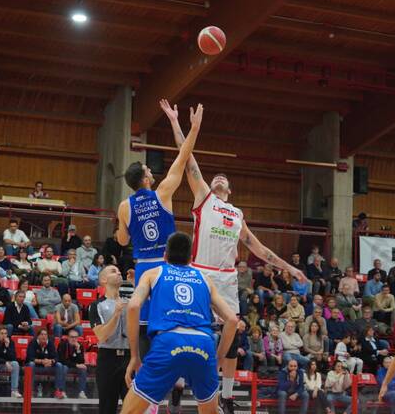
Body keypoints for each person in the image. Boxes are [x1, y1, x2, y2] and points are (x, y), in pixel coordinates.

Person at [168, 99, 306, 413]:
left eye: (222, 178)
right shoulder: (204, 198)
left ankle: (226, 396)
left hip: (227, 279)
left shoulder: (236, 213)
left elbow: (259, 249)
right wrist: (181, 125)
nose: (217, 178)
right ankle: (178, 381)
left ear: (229, 188)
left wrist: (290, 268)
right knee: (190, 331)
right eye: (214, 177)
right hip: (201, 273)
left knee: (232, 335)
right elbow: (187, 158)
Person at [116, 101, 202, 353]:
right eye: (147, 169)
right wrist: (192, 127)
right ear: (145, 178)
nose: (150, 170)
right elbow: (183, 156)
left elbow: (121, 242)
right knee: (170, 321)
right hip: (167, 266)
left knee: (144, 323)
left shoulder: (124, 206)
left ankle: (143, 372)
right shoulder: (162, 193)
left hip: (143, 267)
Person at [121, 231, 238, 414]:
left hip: (168, 341)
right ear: (191, 258)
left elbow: (134, 306)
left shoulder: (153, 273)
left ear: (165, 255)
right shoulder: (205, 279)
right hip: (203, 344)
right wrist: (218, 360)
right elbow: (231, 319)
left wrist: (135, 356)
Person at [89, 265, 131, 414]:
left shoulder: (131, 302)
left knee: (133, 407)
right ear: (103, 279)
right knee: (107, 408)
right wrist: (117, 313)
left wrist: (135, 285)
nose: (119, 272)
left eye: (119, 270)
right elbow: (102, 335)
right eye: (113, 271)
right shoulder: (97, 305)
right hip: (108, 359)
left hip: (129, 358)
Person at [26, 328, 67, 399]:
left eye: (45, 334)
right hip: (36, 367)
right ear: (38, 336)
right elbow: (30, 358)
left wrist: (51, 361)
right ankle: (30, 390)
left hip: (48, 366)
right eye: (42, 334)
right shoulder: (32, 343)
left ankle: (58, 391)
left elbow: (57, 358)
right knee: (31, 364)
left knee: (59, 365)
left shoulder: (50, 343)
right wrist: (42, 361)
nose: (44, 336)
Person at [0, 325, 21, 398]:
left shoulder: (10, 342)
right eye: (2, 333)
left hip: (6, 365)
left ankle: (14, 390)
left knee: (15, 364)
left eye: (5, 333)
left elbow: (13, 357)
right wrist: (5, 362)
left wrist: (7, 346)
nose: (4, 335)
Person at [57, 328, 88, 399]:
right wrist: (76, 365)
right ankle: (62, 391)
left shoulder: (80, 346)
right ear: (68, 337)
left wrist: (78, 350)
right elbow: (62, 360)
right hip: (66, 366)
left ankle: (82, 392)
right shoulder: (62, 344)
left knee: (83, 369)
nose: (74, 339)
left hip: (74, 367)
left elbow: (82, 362)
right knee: (64, 367)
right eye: (72, 337)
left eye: (75, 337)